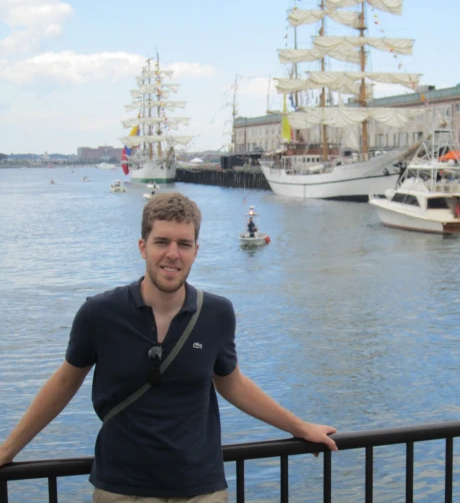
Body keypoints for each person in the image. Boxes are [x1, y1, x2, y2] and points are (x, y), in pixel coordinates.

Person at [0, 192, 337, 502]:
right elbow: (64, 383)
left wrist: (301, 428)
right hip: (122, 488)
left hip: (200, 489)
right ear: (142, 246)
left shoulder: (217, 313)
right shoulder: (100, 313)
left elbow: (232, 383)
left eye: (184, 244)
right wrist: (8, 450)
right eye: (161, 241)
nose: (172, 254)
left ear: (195, 251)